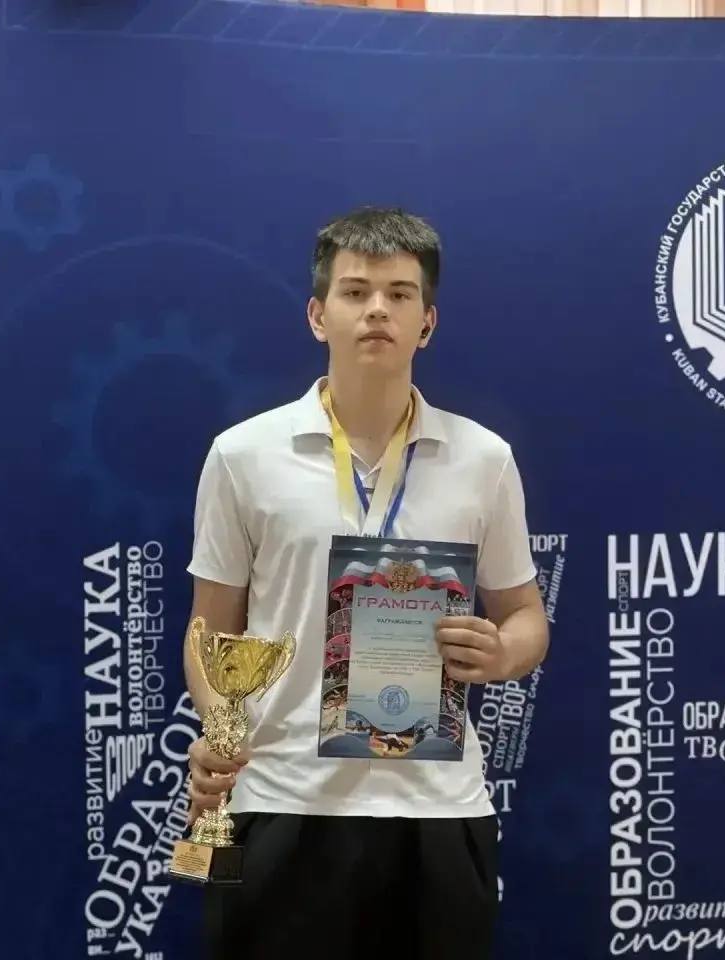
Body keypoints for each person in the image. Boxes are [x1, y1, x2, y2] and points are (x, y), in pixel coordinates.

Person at [182, 207, 548, 959]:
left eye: (399, 294)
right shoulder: (243, 455)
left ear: (427, 323)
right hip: (283, 798)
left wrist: (502, 654)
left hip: (439, 810)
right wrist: (221, 728)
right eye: (355, 292)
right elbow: (209, 631)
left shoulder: (485, 459)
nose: (377, 309)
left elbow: (525, 617)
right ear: (318, 315)